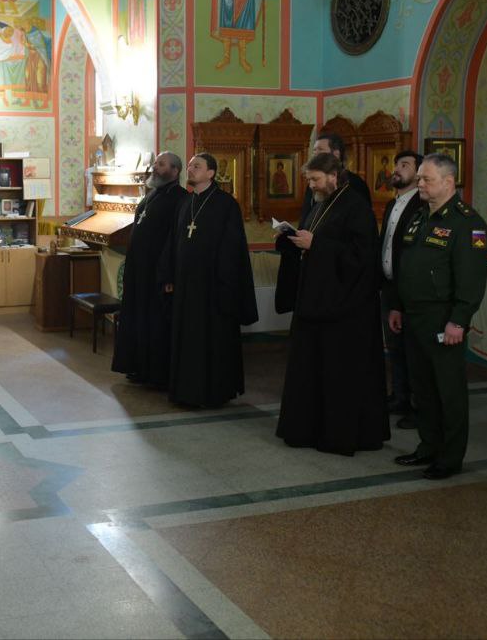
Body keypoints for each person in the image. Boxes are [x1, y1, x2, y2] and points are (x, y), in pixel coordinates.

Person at [274, 152, 389, 456]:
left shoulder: (357, 208)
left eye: (315, 179)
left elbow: (362, 259)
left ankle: (338, 435)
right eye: (309, 179)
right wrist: (293, 239)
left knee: (339, 374)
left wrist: (316, 244)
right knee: (312, 370)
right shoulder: (322, 204)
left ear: (333, 176)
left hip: (345, 310)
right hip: (317, 302)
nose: (311, 185)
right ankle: (308, 429)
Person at [390, 153, 487, 480]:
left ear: (448, 182)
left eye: (426, 179)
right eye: (419, 178)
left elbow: (471, 280)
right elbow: (407, 266)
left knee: (448, 391)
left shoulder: (467, 223)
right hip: (414, 316)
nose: (419, 183)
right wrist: (398, 306)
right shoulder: (420, 216)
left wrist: (459, 320)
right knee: (422, 389)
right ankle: (428, 446)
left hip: (443, 319)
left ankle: (450, 457)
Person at [158, 153, 257, 407]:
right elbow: (173, 240)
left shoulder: (226, 204)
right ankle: (186, 390)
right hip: (184, 286)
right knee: (187, 339)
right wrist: (169, 275)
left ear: (211, 173)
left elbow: (232, 248)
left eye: (197, 166)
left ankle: (213, 392)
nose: (191, 169)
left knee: (211, 339)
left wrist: (220, 279)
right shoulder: (185, 202)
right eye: (190, 166)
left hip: (212, 288)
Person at [112, 152, 189, 386]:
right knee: (138, 318)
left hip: (157, 272)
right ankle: (138, 366)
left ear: (175, 171)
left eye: (161, 164)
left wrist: (168, 274)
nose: (155, 167)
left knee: (155, 322)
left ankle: (156, 373)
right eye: (155, 163)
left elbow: (174, 240)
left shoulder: (180, 198)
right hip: (139, 271)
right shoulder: (152, 194)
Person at [379, 150, 424, 429]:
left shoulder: (421, 205)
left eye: (405, 165)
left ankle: (418, 405)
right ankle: (400, 396)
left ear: (419, 174)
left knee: (413, 349)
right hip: (389, 285)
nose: (397, 169)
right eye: (396, 164)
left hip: (410, 289)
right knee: (394, 347)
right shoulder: (391, 204)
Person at [300, 131, 373, 224]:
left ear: (336, 154)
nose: (315, 155)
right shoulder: (313, 183)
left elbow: (362, 221)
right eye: (314, 150)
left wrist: (318, 235)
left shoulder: (356, 184)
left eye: (320, 150)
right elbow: (305, 216)